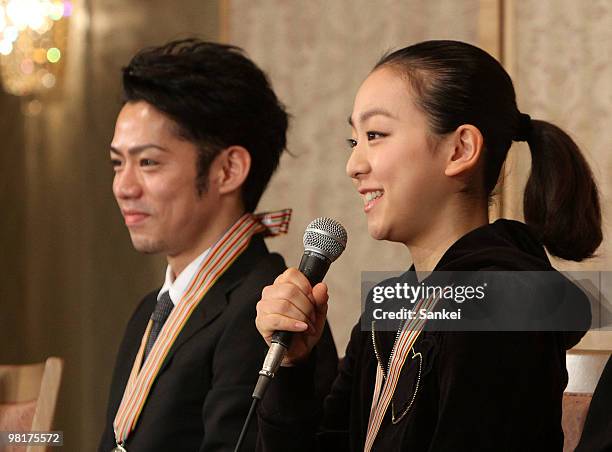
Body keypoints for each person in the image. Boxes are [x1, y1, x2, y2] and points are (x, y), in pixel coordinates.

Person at [254, 40, 602, 451]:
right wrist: (294, 368)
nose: (354, 165)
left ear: (460, 150)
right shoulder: (391, 304)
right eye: (354, 142)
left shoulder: (502, 306)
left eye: (376, 134)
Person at [98, 39, 338, 452]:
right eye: (118, 163)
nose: (123, 186)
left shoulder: (267, 309)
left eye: (148, 162)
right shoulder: (148, 312)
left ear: (228, 169)